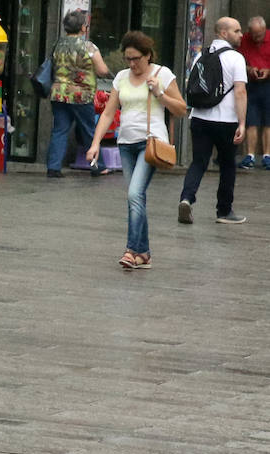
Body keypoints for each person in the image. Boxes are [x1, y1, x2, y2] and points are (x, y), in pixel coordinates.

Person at [87, 31, 187, 270]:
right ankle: (144, 253)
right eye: (128, 59)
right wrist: (95, 143)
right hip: (126, 143)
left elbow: (182, 109)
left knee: (134, 194)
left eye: (136, 59)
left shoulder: (162, 74)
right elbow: (109, 112)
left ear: (148, 55)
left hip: (150, 143)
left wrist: (159, 94)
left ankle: (131, 250)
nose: (132, 64)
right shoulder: (121, 77)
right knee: (136, 197)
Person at [178, 17, 248, 225]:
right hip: (226, 120)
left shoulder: (202, 54)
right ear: (223, 33)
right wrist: (242, 123)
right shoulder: (236, 58)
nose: (241, 34)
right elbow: (240, 91)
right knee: (227, 165)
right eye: (237, 31)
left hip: (200, 117)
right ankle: (224, 211)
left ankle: (186, 198)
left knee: (198, 162)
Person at [45, 9, 112, 178]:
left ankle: (53, 167)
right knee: (90, 131)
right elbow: (102, 70)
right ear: (83, 28)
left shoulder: (58, 44)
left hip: (58, 93)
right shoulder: (88, 46)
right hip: (81, 95)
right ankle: (97, 166)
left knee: (59, 130)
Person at [237, 16, 270, 170]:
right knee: (251, 120)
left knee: (268, 121)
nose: (257, 38)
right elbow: (238, 61)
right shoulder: (244, 40)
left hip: (268, 84)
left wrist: (268, 71)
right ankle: (250, 155)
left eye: (260, 34)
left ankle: (267, 155)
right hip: (250, 83)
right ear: (249, 31)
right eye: (254, 35)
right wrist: (250, 69)